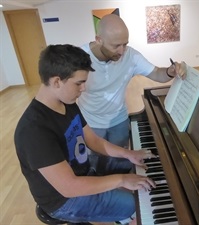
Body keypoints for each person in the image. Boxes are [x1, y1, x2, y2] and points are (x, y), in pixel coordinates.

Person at [14, 44, 156, 225]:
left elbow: (93, 140)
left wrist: (129, 153)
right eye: (79, 83)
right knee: (134, 204)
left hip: (83, 172)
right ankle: (125, 217)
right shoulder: (34, 130)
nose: (83, 89)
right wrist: (121, 180)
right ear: (57, 81)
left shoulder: (67, 102)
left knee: (134, 163)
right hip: (63, 200)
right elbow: (69, 187)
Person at [78, 14, 187, 174]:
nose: (122, 51)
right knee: (95, 165)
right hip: (91, 122)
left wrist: (171, 71)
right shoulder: (80, 58)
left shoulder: (131, 56)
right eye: (116, 46)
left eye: (125, 44)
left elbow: (157, 73)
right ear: (98, 39)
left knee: (120, 164)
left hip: (119, 120)